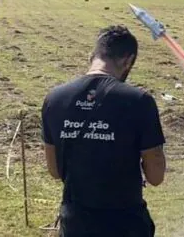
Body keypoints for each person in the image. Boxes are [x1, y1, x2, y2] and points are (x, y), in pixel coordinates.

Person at [41, 25, 167, 237]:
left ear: (92, 55)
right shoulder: (138, 101)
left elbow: (54, 171)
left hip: (76, 223)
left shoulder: (55, 99)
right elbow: (155, 175)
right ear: (128, 60)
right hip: (125, 223)